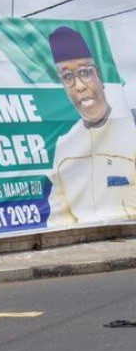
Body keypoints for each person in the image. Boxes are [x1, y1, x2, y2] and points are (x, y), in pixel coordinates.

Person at [47, 26, 136, 225]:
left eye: (85, 72)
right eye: (68, 78)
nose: (79, 86)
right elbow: (59, 217)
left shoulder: (131, 137)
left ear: (99, 75)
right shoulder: (64, 147)